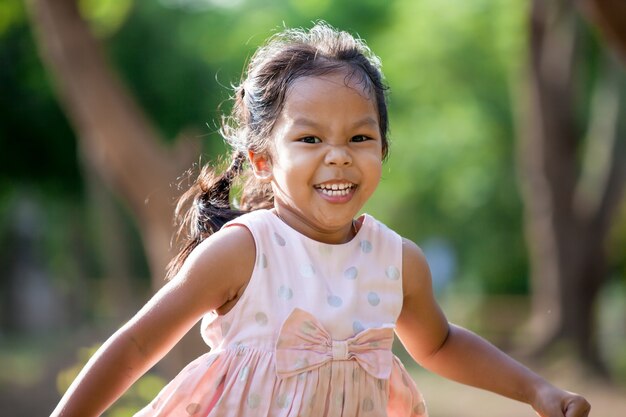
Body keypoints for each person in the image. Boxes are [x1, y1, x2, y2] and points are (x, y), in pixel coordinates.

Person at [51, 22, 591, 417]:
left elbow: (442, 344)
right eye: (310, 139)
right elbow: (139, 344)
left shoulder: (397, 260)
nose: (338, 156)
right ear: (263, 158)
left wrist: (537, 391)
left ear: (383, 148)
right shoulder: (245, 251)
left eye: (360, 137)